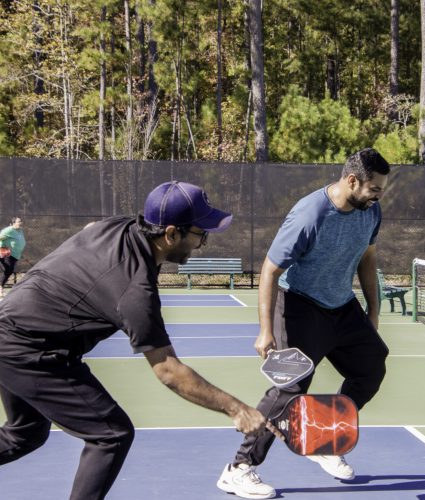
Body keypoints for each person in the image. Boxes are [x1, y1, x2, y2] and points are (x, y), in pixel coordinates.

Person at [0, 181, 279, 500]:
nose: (203, 243)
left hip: (12, 326)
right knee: (112, 434)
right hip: (30, 349)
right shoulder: (133, 290)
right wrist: (236, 409)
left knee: (25, 433)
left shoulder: (122, 226)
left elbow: (92, 227)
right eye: (200, 235)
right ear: (171, 233)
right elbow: (169, 372)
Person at [217, 148, 391, 500]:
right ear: (351, 181)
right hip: (297, 305)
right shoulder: (310, 214)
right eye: (374, 188)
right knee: (289, 389)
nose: (378, 195)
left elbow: (367, 259)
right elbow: (270, 269)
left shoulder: (370, 213)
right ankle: (239, 468)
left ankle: (327, 440)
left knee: (371, 367)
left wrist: (373, 310)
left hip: (342, 305)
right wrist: (266, 329)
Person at [0, 217, 26, 298]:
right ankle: (0, 287)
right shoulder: (9, 230)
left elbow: (19, 241)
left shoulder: (20, 230)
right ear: (13, 223)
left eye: (21, 221)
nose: (20, 222)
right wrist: (2, 247)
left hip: (15, 255)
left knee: (9, 270)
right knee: (8, 270)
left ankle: (0, 286)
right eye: (19, 221)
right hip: (6, 253)